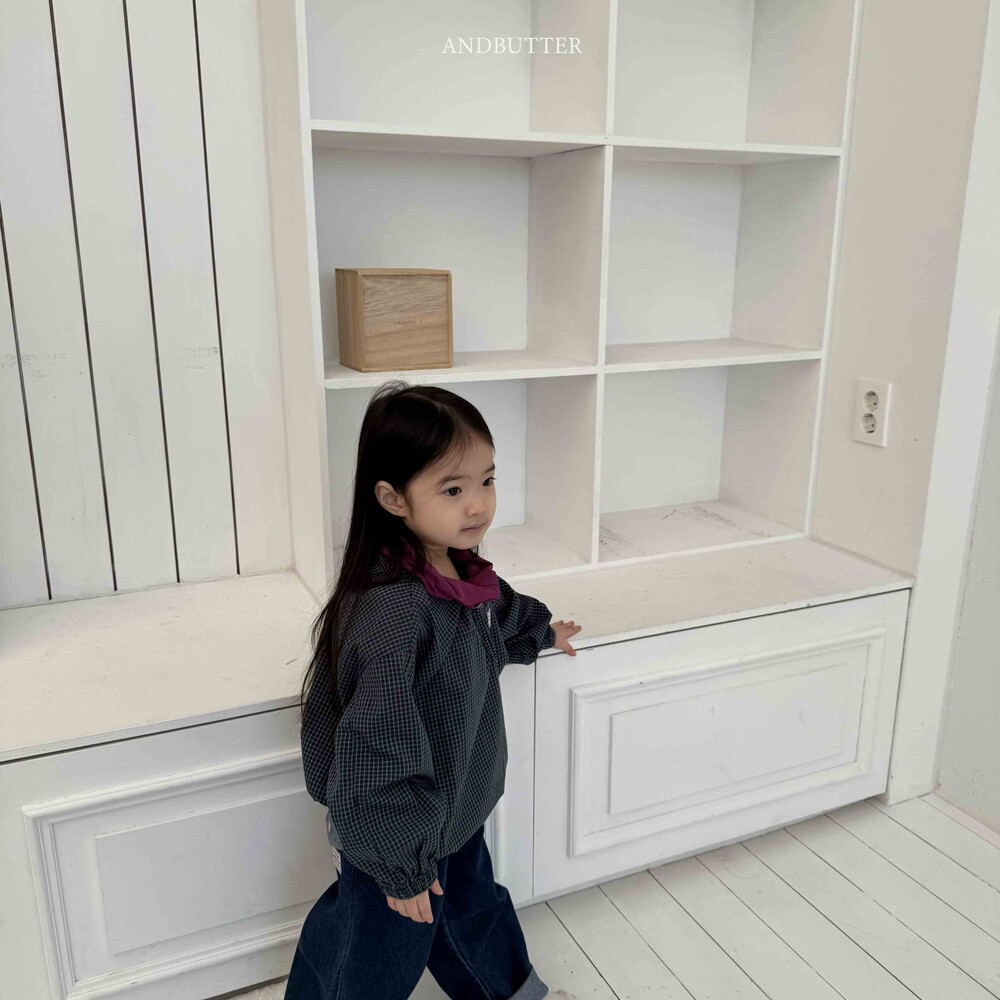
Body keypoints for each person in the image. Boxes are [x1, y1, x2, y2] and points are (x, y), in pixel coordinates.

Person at [283, 380, 583, 1000]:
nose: (478, 505)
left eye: (487, 480)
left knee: (474, 915)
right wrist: (400, 864)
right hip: (396, 830)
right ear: (393, 498)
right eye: (453, 489)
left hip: (456, 807)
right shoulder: (395, 614)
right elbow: (376, 749)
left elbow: (492, 622)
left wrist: (540, 632)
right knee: (372, 956)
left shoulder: (455, 565)